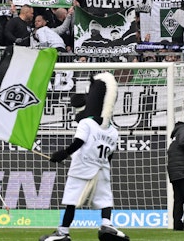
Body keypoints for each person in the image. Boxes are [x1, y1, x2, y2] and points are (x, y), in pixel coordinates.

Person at [45, 73, 129, 241]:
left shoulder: (86, 123)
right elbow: (110, 154)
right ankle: (106, 224)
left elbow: (79, 142)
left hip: (82, 166)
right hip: (102, 168)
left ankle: (63, 231)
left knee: (71, 200)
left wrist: (63, 154)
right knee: (105, 199)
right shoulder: (113, 131)